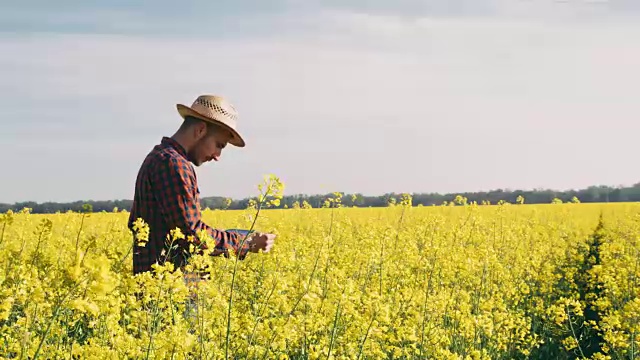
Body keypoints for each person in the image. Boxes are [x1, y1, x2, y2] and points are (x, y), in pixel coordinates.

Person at [128, 94, 276, 277]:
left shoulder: (161, 158)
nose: (217, 156)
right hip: (167, 292)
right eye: (219, 145)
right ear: (200, 130)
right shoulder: (172, 165)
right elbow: (193, 236)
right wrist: (247, 242)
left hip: (164, 288)